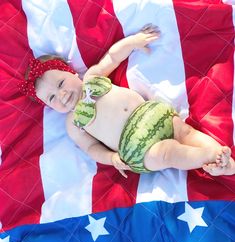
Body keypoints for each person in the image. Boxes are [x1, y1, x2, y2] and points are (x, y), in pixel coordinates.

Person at [19, 24, 235, 178]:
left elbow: (113, 57)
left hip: (154, 114)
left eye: (60, 84)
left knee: (187, 133)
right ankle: (209, 157)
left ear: (72, 73)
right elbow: (91, 148)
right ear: (48, 106)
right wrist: (111, 158)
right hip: (139, 150)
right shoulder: (73, 123)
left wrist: (133, 42)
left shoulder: (92, 78)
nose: (62, 95)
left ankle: (223, 161)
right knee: (168, 152)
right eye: (52, 98)